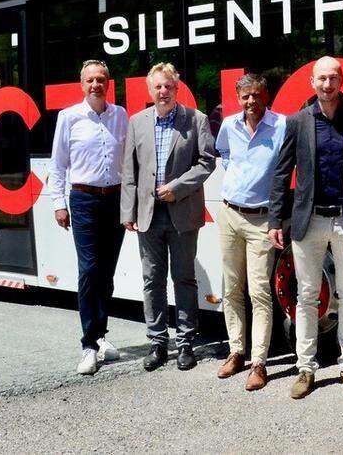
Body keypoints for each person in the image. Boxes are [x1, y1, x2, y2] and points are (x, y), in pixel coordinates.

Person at [268, 56, 343, 399]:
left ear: (341, 81)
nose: (327, 85)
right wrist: (274, 219)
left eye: (332, 79)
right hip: (308, 220)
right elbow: (282, 172)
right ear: (312, 82)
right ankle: (306, 368)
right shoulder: (297, 122)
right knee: (307, 295)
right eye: (321, 79)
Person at [120, 62, 217, 372]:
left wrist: (178, 187)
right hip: (148, 215)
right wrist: (127, 211)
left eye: (168, 86)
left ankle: (187, 343)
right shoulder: (137, 122)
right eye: (158, 87)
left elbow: (206, 163)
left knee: (184, 279)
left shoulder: (196, 120)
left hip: (182, 212)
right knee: (152, 281)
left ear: (177, 88)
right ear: (151, 90)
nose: (163, 91)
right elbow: (129, 171)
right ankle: (158, 343)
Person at [48, 60, 129, 375]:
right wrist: (59, 203)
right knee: (89, 270)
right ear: (81, 84)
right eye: (90, 80)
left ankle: (101, 335)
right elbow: (58, 165)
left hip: (115, 199)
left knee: (106, 272)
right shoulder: (68, 117)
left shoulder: (120, 115)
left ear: (108, 83)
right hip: (82, 200)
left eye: (101, 79)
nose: (96, 84)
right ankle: (88, 345)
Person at [214, 74, 286, 391]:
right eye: (245, 97)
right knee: (231, 288)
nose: (251, 102)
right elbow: (223, 153)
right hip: (230, 214)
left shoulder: (282, 126)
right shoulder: (229, 125)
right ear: (237, 98)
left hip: (262, 220)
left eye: (256, 95)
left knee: (259, 292)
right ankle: (236, 351)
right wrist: (237, 176)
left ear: (265, 95)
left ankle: (259, 363)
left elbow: (288, 165)